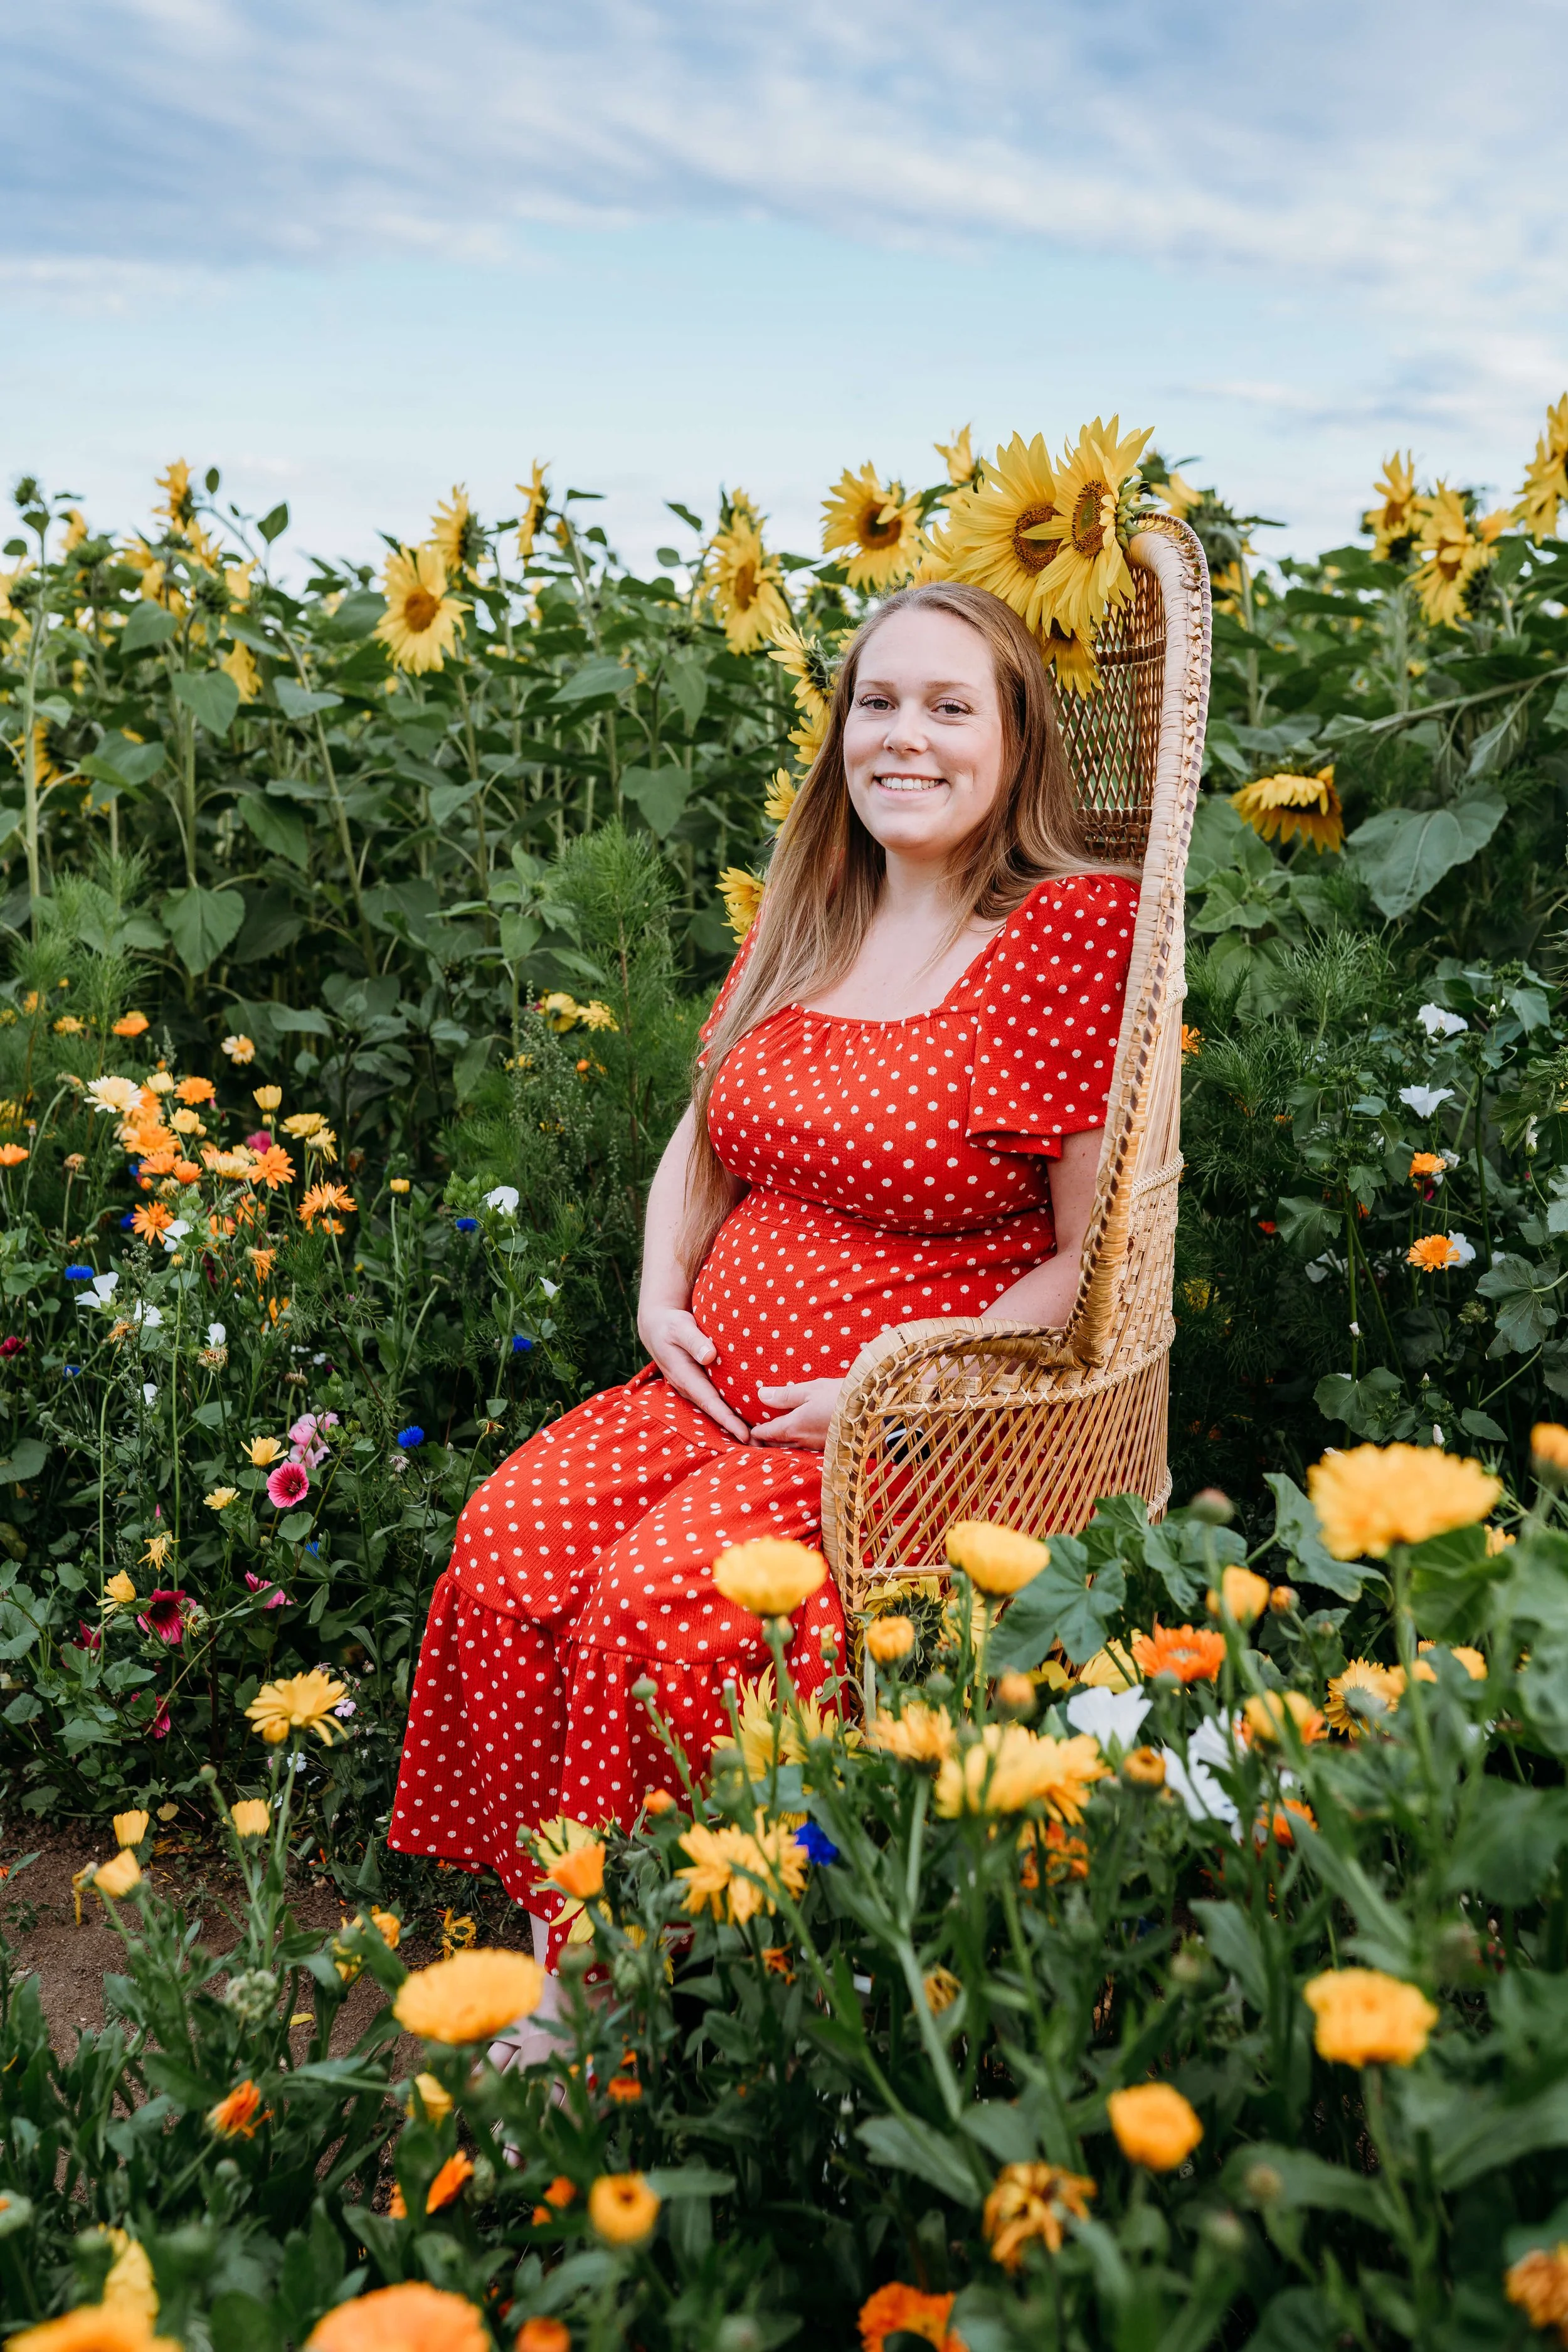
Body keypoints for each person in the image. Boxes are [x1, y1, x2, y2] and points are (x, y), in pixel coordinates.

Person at [388, 578, 1140, 2001]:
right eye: (876, 701)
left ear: (1015, 739)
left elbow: (1087, 1264)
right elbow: (701, 1126)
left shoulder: (1065, 932)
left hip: (893, 1433)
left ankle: (623, 1990)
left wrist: (901, 1377)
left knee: (660, 1604)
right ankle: (564, 1929)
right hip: (705, 1391)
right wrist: (656, 1283)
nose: (901, 737)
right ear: (839, 734)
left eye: (946, 705)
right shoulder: (812, 918)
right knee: (505, 1545)